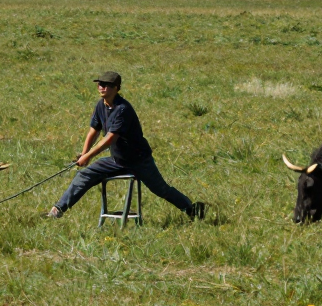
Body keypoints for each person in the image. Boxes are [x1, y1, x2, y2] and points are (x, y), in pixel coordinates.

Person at [48, 71, 205, 220]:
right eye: (100, 84)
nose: (102, 87)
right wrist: (84, 153)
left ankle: (192, 209)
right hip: (117, 160)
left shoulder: (123, 109)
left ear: (116, 88)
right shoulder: (100, 105)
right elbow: (94, 131)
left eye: (107, 85)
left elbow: (110, 139)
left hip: (139, 160)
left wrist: (88, 156)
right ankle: (57, 210)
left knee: (161, 189)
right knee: (85, 175)